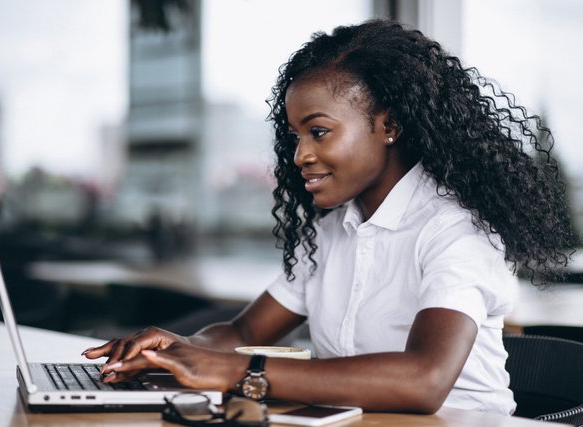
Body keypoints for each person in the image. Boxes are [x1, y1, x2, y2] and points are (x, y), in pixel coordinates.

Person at [82, 19, 577, 415]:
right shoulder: (330, 231)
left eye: (318, 132)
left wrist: (234, 372)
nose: (299, 155)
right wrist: (179, 348)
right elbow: (242, 335)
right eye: (296, 136)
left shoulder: (455, 229)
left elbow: (424, 380)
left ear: (390, 126)